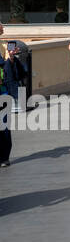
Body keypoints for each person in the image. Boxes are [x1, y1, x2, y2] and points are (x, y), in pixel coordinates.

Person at [0, 23, 31, 167]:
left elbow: (6, 68)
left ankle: (3, 157)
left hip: (2, 91)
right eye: (0, 25)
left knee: (4, 124)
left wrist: (11, 58)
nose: (2, 27)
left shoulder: (2, 45)